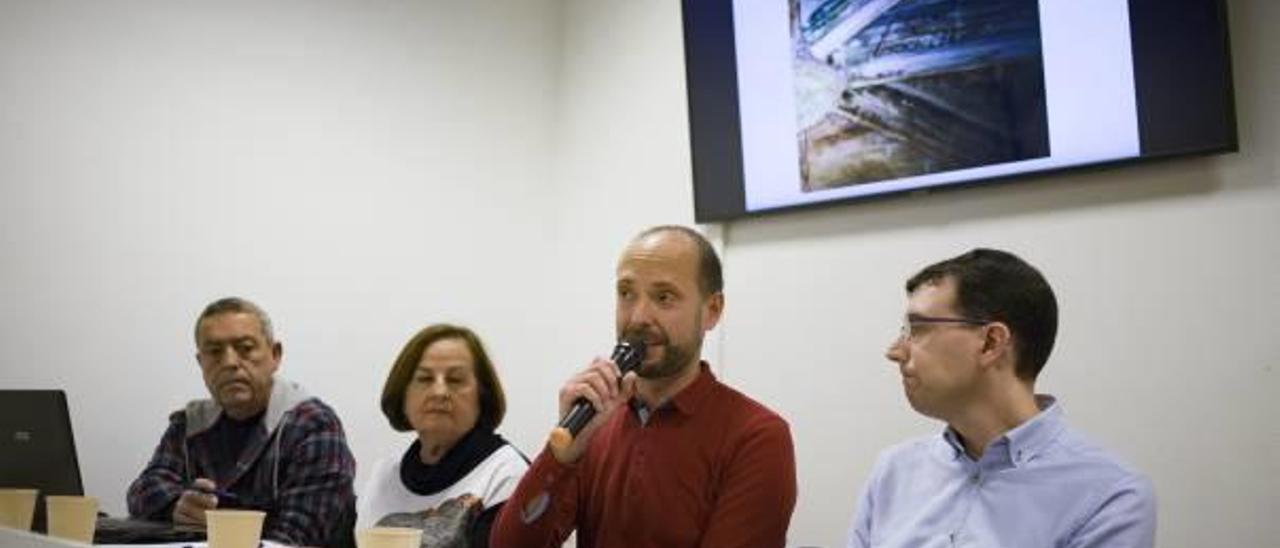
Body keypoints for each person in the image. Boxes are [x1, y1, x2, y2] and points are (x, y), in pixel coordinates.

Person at [491, 225, 798, 548]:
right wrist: (561, 458)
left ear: (712, 310)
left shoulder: (757, 437)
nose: (638, 317)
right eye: (626, 293)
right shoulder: (595, 421)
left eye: (664, 297)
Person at [847, 249, 1156, 547]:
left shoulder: (1108, 495)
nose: (895, 351)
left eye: (917, 329)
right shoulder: (894, 472)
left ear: (990, 343)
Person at [126, 297, 356, 547]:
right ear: (200, 362)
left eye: (245, 348)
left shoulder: (313, 425)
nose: (230, 362)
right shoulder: (189, 424)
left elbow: (298, 535)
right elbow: (143, 490)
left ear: (275, 355)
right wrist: (177, 505)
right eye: (214, 352)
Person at [356, 324, 528, 548]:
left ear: (482, 396)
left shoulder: (507, 475)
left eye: (455, 380)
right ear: (403, 394)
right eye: (425, 379)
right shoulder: (383, 476)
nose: (439, 392)